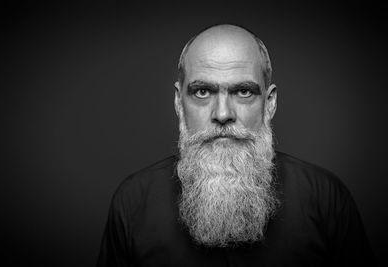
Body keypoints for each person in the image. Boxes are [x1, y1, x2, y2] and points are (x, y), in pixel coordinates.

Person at [97, 24, 374, 266]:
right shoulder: (133, 202)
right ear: (178, 102)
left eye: (243, 91)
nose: (222, 114)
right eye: (202, 91)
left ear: (270, 103)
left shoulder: (326, 199)